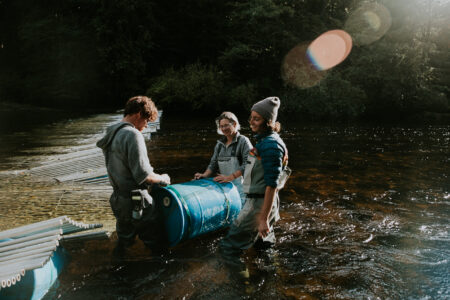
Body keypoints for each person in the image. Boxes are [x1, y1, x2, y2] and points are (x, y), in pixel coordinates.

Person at [96, 96, 171, 255]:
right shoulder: (132, 135)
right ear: (138, 114)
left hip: (118, 200)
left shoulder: (112, 132)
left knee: (124, 243)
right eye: (146, 120)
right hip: (138, 201)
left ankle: (118, 274)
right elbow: (144, 176)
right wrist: (163, 178)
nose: (146, 126)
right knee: (157, 243)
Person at [219, 97, 289, 260]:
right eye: (251, 117)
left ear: (268, 121)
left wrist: (263, 219)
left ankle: (242, 285)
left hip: (258, 206)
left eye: (257, 119)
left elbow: (271, 185)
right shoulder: (266, 140)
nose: (252, 122)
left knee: (229, 249)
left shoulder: (270, 145)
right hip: (267, 204)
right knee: (264, 247)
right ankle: (269, 280)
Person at [194, 112, 252, 206]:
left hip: (243, 191)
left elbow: (249, 163)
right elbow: (213, 164)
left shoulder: (243, 141)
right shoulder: (219, 145)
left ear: (234, 124)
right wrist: (204, 175)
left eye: (226, 125)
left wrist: (230, 177)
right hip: (227, 191)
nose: (224, 129)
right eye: (221, 126)